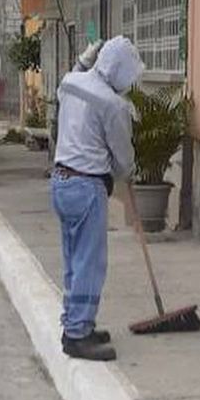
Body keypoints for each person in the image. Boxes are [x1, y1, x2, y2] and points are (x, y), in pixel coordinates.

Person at [51, 36, 145, 361]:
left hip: (61, 183)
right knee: (90, 262)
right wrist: (127, 171)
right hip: (87, 186)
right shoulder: (112, 104)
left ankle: (75, 323)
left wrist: (82, 59)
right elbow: (122, 154)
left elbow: (74, 76)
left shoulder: (70, 82)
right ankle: (78, 334)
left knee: (73, 259)